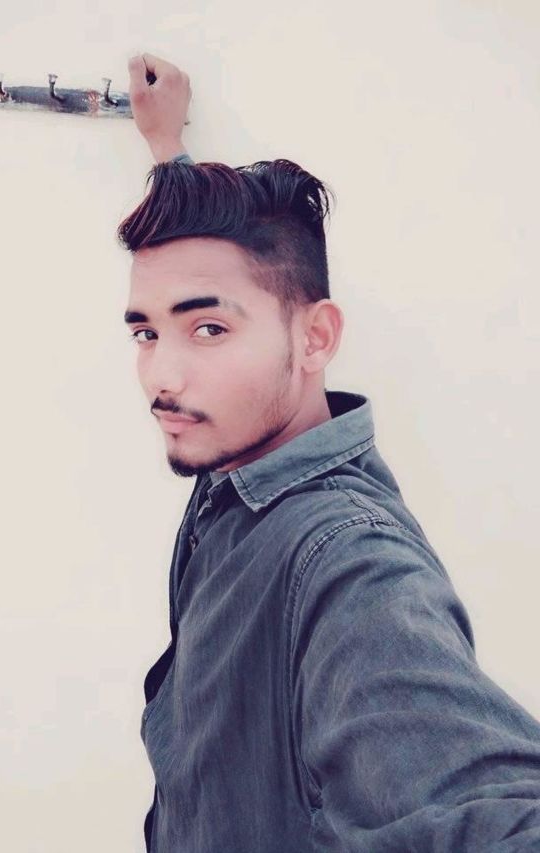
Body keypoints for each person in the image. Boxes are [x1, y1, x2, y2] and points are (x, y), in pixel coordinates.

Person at [119, 52, 540, 852]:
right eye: (146, 331)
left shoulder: (348, 564)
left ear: (315, 338)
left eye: (208, 328)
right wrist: (167, 149)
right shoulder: (240, 457)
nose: (161, 377)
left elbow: (491, 815)